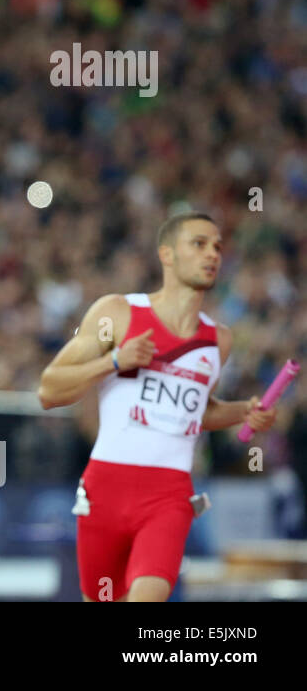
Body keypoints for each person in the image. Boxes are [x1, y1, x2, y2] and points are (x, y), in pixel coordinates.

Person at [37, 212, 276, 602]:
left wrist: (242, 411)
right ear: (167, 254)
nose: (212, 254)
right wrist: (114, 360)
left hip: (168, 494)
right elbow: (49, 390)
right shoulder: (116, 313)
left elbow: (194, 413)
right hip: (105, 488)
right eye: (199, 244)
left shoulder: (220, 341)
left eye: (217, 246)